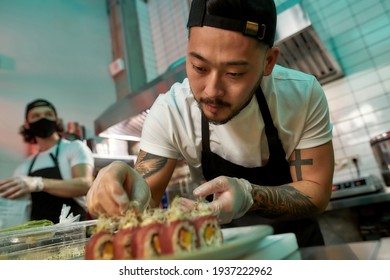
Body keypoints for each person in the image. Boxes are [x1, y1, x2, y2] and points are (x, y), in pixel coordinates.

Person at [86, 0, 334, 247]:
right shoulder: (171, 111)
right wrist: (120, 188)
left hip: (301, 249)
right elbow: (143, 199)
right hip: (224, 251)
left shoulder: (301, 94)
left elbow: (317, 192)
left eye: (234, 74)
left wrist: (250, 196)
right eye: (199, 67)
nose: (212, 91)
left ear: (268, 62)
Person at [0, 99, 94, 225]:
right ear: (27, 124)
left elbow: (85, 184)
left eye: (48, 114)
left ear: (57, 120)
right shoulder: (24, 167)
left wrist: (38, 183)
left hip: (75, 233)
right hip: (39, 238)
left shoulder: (74, 148)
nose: (43, 118)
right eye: (36, 116)